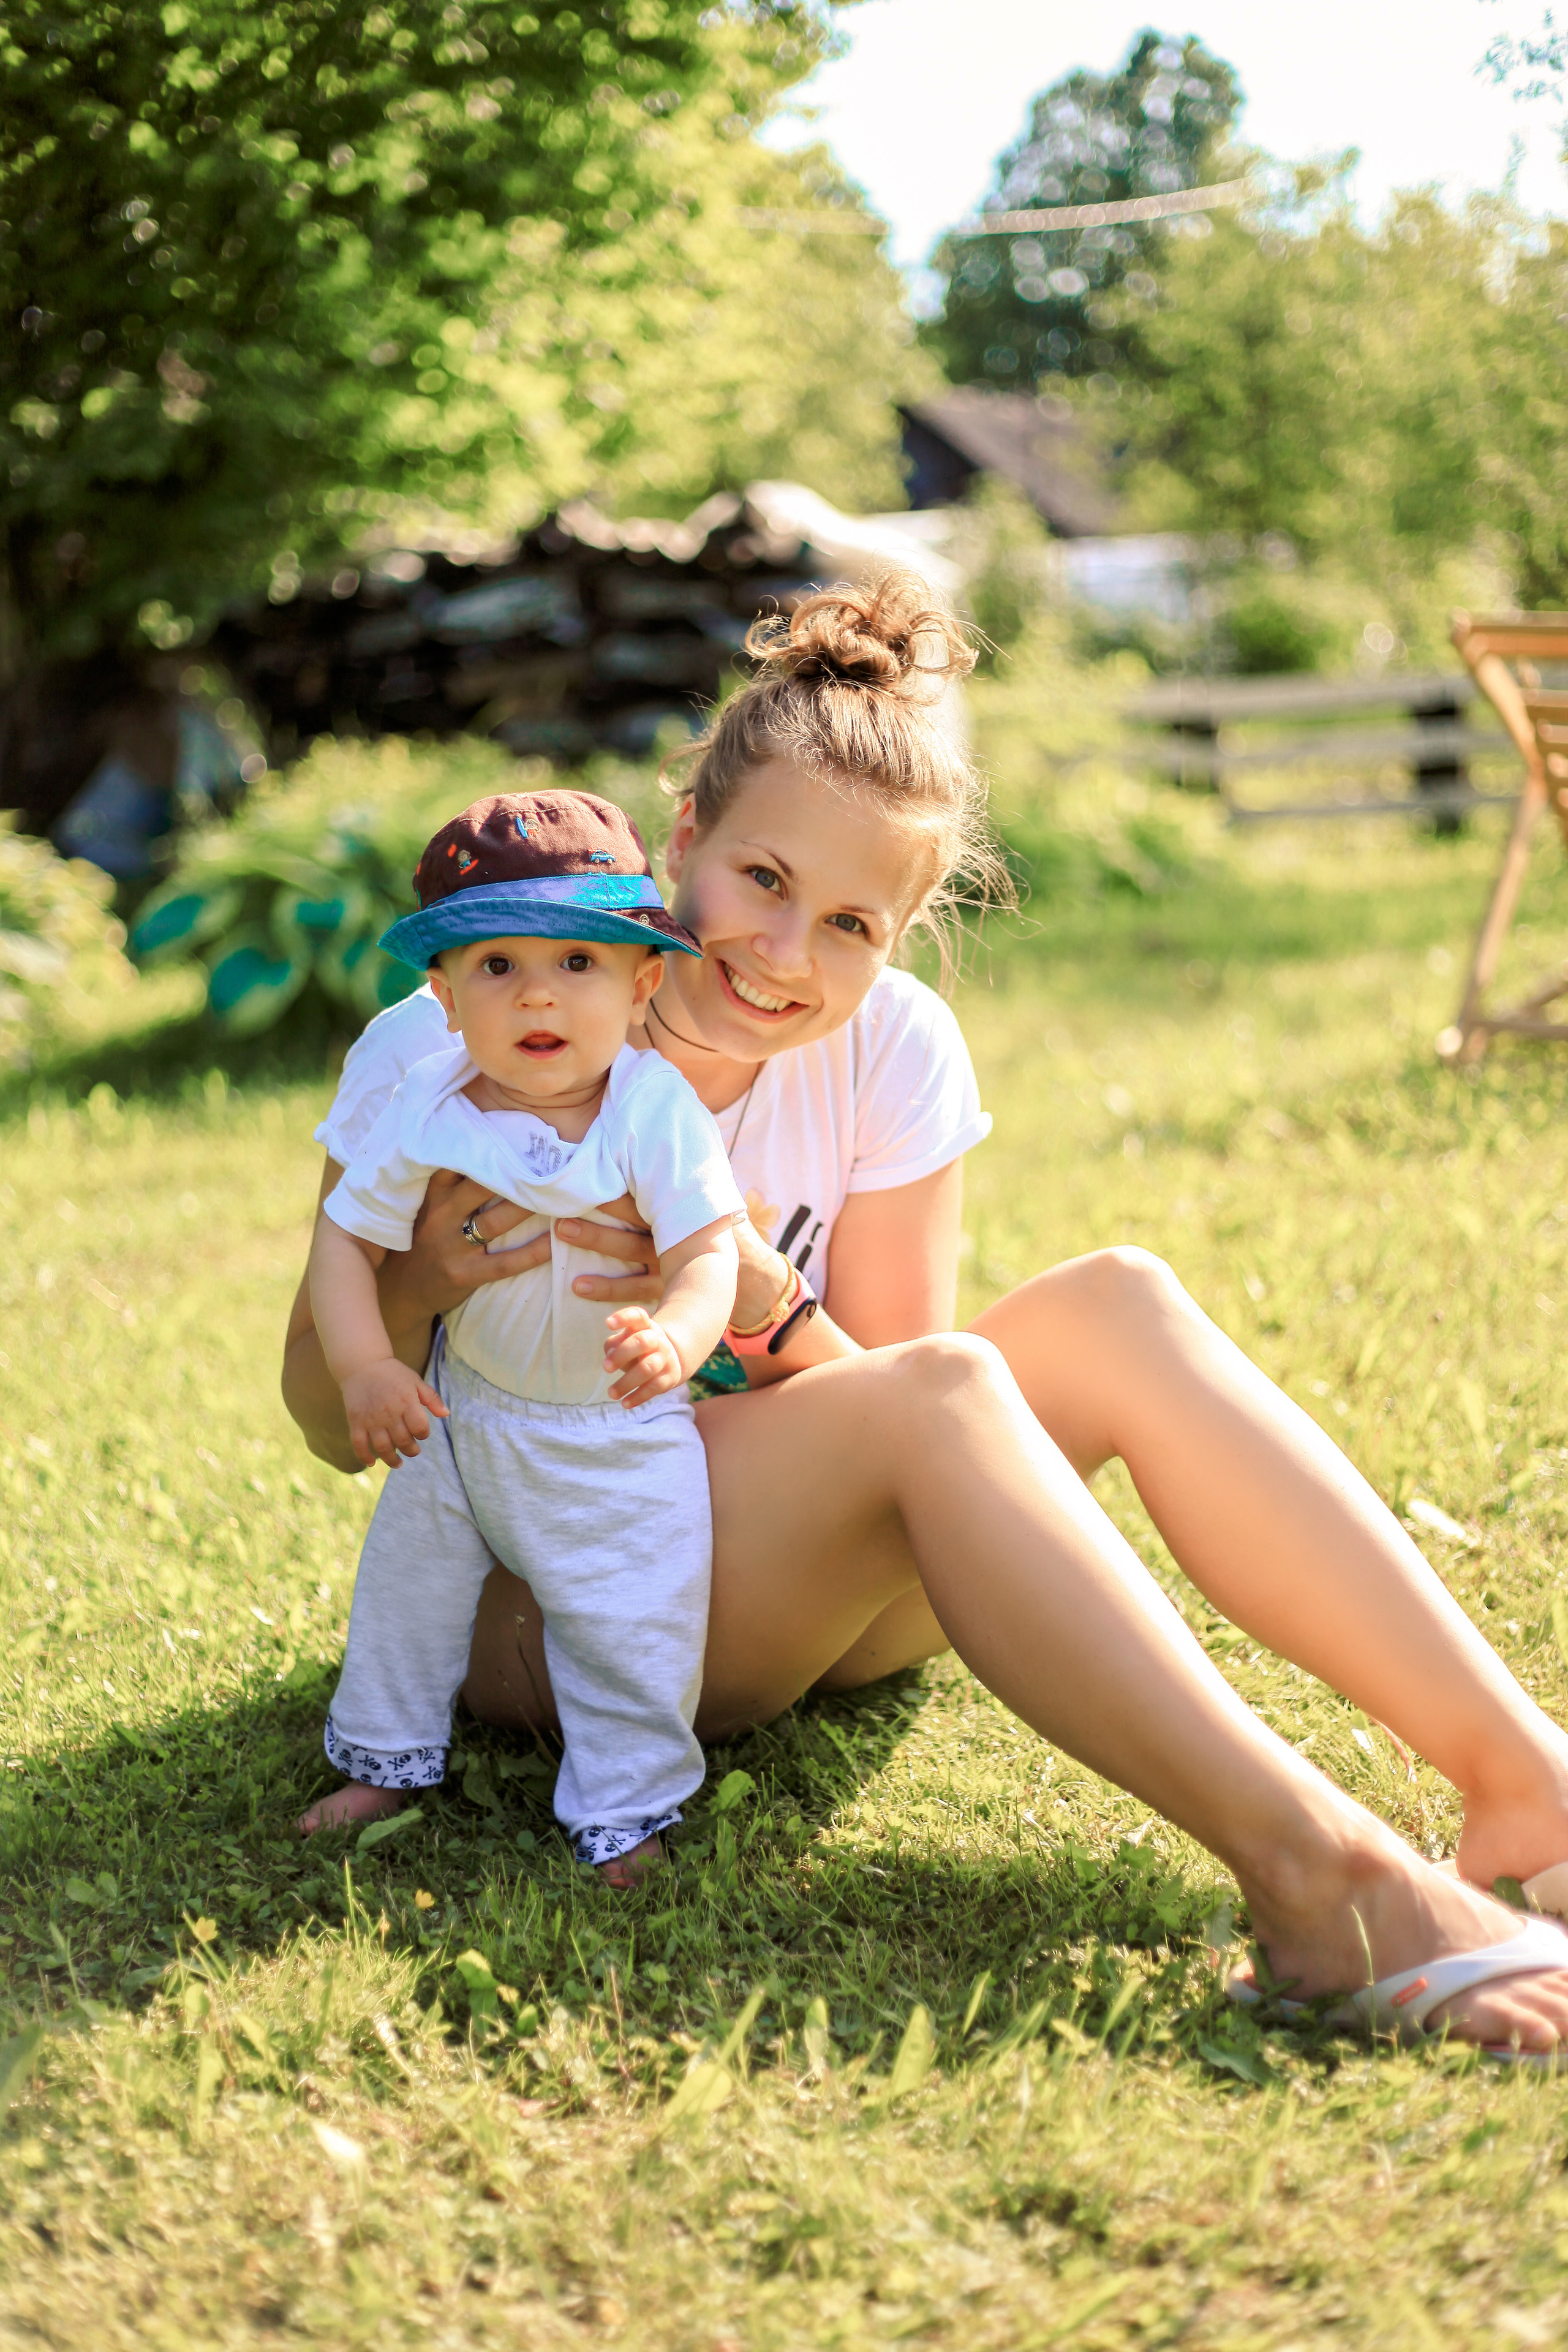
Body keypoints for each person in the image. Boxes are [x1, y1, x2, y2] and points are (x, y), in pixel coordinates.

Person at [284, 573, 1568, 2052]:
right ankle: (1324, 1883)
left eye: (851, 923)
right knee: (948, 1396)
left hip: (797, 1586)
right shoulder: (475, 1030)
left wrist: (756, 1300)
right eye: (762, 882)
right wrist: (429, 1278)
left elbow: (884, 1393)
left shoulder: (889, 1044)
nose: (789, 955)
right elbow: (321, 1416)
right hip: (553, 1600)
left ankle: (1525, 1784)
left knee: (1117, 1305)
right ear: (684, 842)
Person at [304, 789, 745, 1882]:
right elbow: (345, 1241)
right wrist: (367, 1365)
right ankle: (385, 1757)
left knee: (633, 1615)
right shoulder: (431, 1103)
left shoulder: (655, 1110)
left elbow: (710, 1253)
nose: (538, 992)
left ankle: (625, 1811)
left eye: (577, 963)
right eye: (497, 966)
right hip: (460, 1416)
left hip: (614, 1429)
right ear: (446, 998)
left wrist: (679, 1336)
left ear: (641, 986)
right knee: (405, 1595)